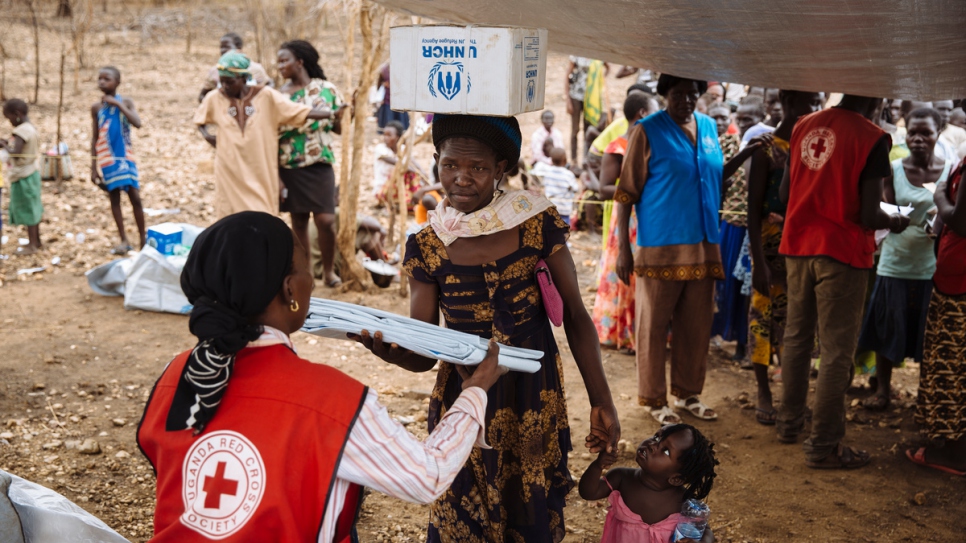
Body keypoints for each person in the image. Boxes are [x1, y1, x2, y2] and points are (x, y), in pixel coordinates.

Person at [138, 211, 505, 542]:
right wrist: (474, 390)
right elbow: (428, 476)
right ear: (289, 290)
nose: (311, 282)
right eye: (305, 269)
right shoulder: (334, 402)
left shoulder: (179, 374)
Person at [360, 113, 620, 541]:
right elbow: (425, 351)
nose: (461, 179)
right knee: (462, 516)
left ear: (502, 168)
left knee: (531, 513)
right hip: (463, 400)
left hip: (531, 397)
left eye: (478, 168)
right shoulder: (426, 245)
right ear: (436, 161)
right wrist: (393, 352)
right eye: (449, 166)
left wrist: (601, 399)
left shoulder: (535, 223)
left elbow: (574, 314)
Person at [614, 74, 764, 425]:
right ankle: (654, 399)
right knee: (653, 326)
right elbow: (626, 193)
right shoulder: (647, 130)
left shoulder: (709, 126)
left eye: (692, 95)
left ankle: (687, 394)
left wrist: (745, 155)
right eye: (678, 95)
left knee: (696, 324)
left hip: (704, 243)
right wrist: (624, 249)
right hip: (660, 245)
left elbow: (711, 176)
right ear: (665, 95)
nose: (686, 101)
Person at [776, 94, 910, 469]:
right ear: (877, 95)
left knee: (797, 338)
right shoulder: (872, 137)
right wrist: (896, 220)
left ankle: (789, 424)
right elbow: (869, 212)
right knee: (836, 351)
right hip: (841, 251)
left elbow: (786, 194)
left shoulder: (804, 124)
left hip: (798, 244)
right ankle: (824, 445)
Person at [857, 108, 953, 411]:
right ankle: (883, 391)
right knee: (888, 328)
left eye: (926, 132)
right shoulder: (894, 168)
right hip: (895, 264)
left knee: (928, 335)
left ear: (939, 133)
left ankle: (925, 394)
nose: (918, 139)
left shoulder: (950, 170)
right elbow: (884, 207)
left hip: (931, 267)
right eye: (913, 132)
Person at [746, 90, 823, 425]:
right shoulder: (768, 148)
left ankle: (793, 395)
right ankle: (764, 392)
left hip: (804, 248)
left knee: (799, 323)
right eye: (812, 103)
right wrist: (758, 261)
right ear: (791, 103)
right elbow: (751, 210)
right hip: (770, 248)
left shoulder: (813, 146)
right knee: (762, 319)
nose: (817, 109)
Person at [195, 51, 335, 218]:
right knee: (230, 216)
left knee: (262, 213)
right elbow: (200, 119)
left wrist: (331, 113)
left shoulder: (266, 96)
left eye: (230, 82)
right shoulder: (214, 98)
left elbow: (297, 111)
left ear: (244, 79)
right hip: (229, 167)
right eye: (222, 82)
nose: (225, 87)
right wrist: (208, 136)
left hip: (260, 166)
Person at [906, 153, 966, 476]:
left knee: (953, 365)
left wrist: (940, 193)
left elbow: (961, 220)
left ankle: (957, 453)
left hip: (960, 283)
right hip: (954, 277)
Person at [276, 40, 345, 288]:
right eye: (279, 62)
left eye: (285, 60)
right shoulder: (279, 96)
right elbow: (271, 137)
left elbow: (338, 128)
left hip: (320, 165)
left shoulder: (327, 89)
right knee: (299, 222)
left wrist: (344, 115)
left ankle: (329, 272)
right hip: (290, 166)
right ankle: (306, 275)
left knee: (326, 220)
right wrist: (278, 177)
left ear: (300, 62)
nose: (280, 66)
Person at [578, 424, 718, 543]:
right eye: (657, 437)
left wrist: (702, 541)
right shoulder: (621, 477)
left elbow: (706, 530)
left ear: (676, 479)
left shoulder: (683, 501)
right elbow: (588, 492)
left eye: (666, 451)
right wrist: (597, 465)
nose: (652, 445)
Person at [592, 91, 652, 352]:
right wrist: (632, 191)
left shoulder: (652, 144)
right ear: (642, 113)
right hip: (628, 218)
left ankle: (645, 330)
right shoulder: (617, 146)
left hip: (649, 215)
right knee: (627, 271)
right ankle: (628, 334)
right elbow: (604, 188)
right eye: (654, 109)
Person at [708, 101, 753, 363]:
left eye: (724, 117)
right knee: (722, 282)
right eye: (714, 118)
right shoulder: (712, 145)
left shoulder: (739, 144)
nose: (720, 122)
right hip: (724, 221)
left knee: (740, 285)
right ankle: (716, 334)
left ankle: (740, 342)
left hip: (741, 222)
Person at [89, 66, 145, 255]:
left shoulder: (126, 102)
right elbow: (95, 137)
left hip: (125, 157)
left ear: (118, 82)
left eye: (107, 79)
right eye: (100, 79)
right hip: (107, 158)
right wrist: (93, 167)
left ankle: (143, 239)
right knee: (114, 198)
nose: (103, 82)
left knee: (135, 197)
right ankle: (123, 239)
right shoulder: (96, 108)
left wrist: (117, 104)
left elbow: (137, 123)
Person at [0, 99, 42, 255]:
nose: (9, 121)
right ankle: (36, 241)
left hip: (23, 175)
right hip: (32, 172)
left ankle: (32, 245)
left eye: (9, 117)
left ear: (17, 114)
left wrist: (4, 145)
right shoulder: (30, 128)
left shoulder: (21, 131)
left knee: (28, 209)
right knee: (34, 207)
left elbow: (15, 152)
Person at [198, 32, 272, 103]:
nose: (223, 50)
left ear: (238, 48)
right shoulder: (216, 70)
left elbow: (269, 85)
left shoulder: (255, 69)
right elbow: (202, 95)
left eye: (227, 47)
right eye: (221, 47)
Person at [531, 147, 579, 225]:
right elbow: (576, 188)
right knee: (564, 231)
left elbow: (544, 184)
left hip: (551, 208)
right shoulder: (568, 175)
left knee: (551, 229)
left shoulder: (548, 173)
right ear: (565, 160)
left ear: (552, 160)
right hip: (564, 209)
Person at [375, 62, 409, 133]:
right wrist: (384, 84)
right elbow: (379, 84)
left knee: (401, 125)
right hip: (387, 101)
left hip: (400, 101)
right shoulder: (384, 69)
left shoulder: (403, 68)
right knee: (388, 124)